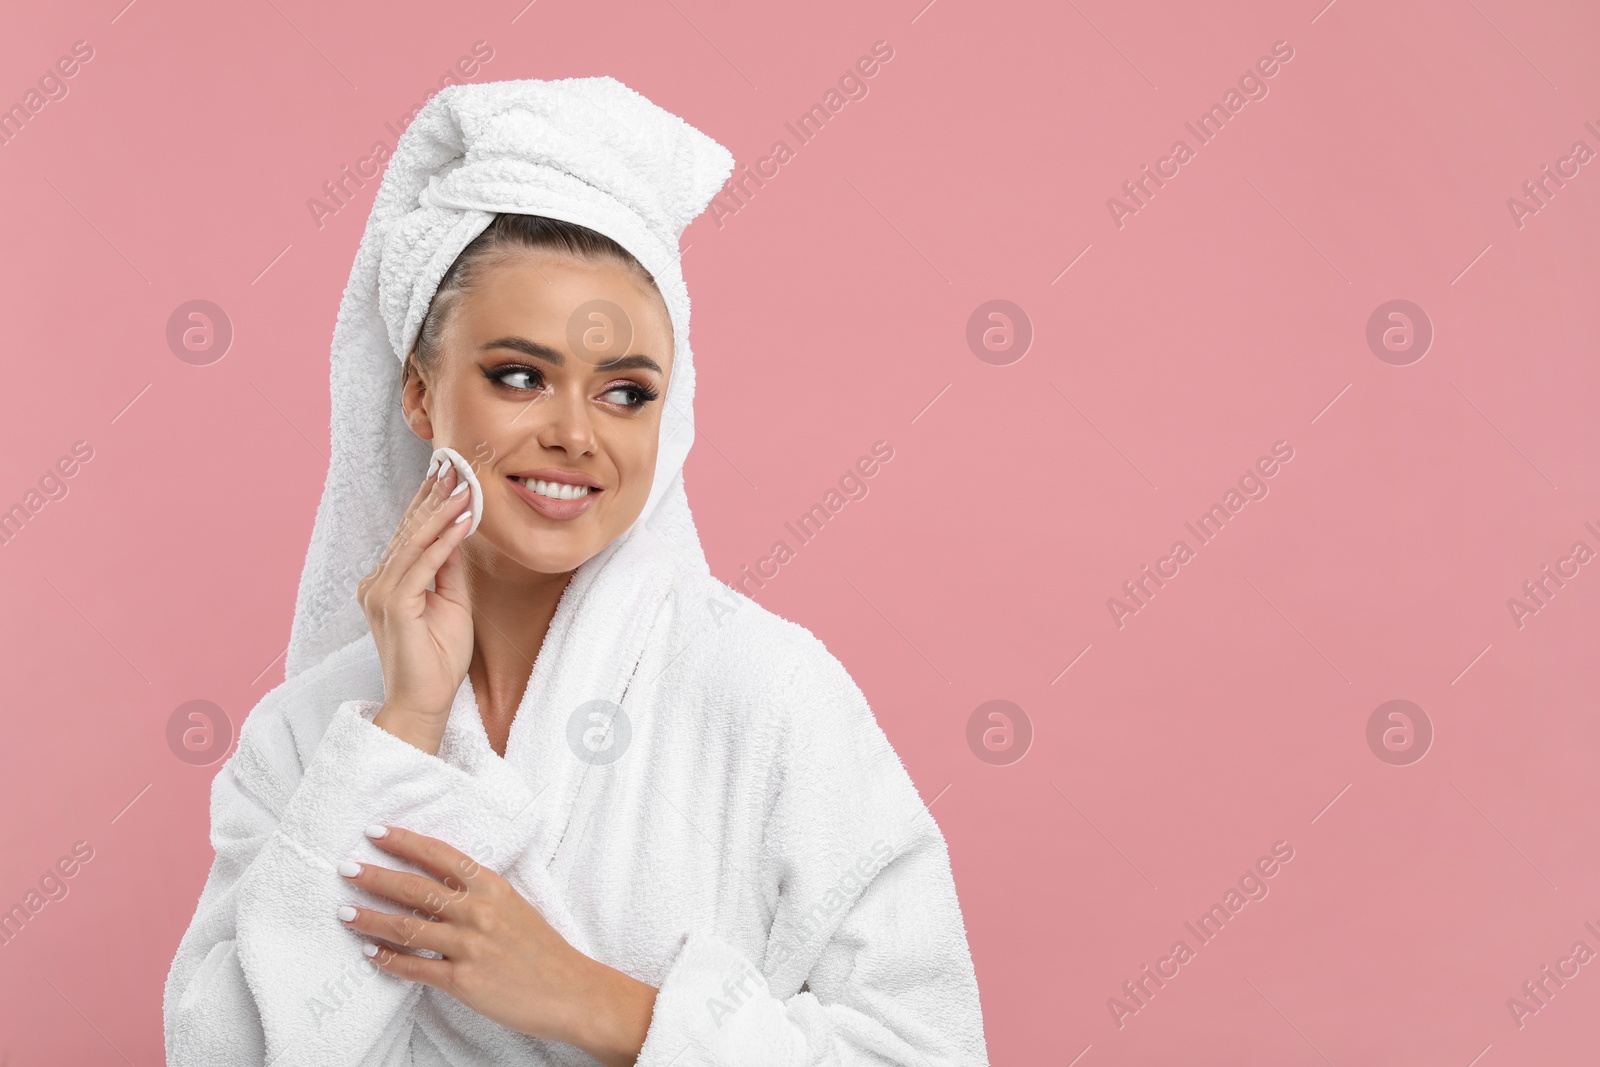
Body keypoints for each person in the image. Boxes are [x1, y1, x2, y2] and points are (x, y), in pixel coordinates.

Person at [163, 75, 988, 1066]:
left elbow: (929, 1051)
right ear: (420, 393)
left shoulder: (771, 695)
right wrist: (406, 735)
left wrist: (596, 1002)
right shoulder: (307, 735)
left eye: (625, 392)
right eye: (519, 374)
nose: (572, 433)